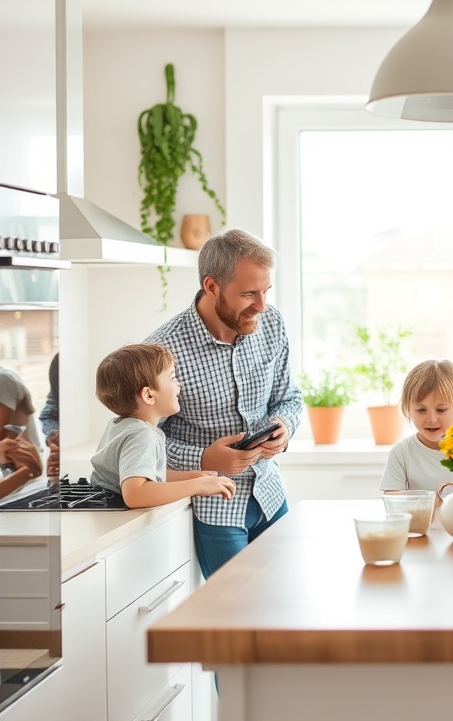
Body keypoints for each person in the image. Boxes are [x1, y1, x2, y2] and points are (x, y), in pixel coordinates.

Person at [147, 229, 303, 578]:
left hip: (270, 494)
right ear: (212, 286)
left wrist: (284, 428)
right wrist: (204, 458)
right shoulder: (161, 352)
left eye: (266, 292)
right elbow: (143, 444)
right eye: (249, 294)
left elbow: (289, 397)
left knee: (286, 602)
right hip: (216, 508)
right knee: (239, 614)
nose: (261, 306)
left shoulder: (271, 323)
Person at [89, 343, 236, 508]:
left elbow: (148, 474)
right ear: (149, 395)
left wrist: (193, 476)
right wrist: (198, 486)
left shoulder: (123, 425)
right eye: (172, 377)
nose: (179, 384)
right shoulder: (142, 435)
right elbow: (136, 494)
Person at [379, 359, 453, 493]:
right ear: (408, 409)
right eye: (421, 410)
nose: (431, 419)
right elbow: (392, 498)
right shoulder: (402, 452)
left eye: (441, 409)